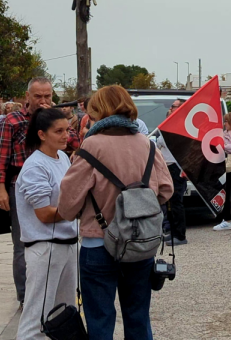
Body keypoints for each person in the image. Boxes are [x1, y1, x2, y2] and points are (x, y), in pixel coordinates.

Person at [58, 85, 173, 340]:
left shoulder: (91, 146)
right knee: (138, 318)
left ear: (97, 111)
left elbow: (67, 204)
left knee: (100, 321)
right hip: (139, 243)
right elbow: (166, 190)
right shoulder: (147, 144)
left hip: (98, 243)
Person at [0, 78, 79, 304]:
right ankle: (25, 295)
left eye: (47, 96)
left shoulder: (57, 119)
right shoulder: (13, 120)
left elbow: (75, 143)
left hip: (54, 180)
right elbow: (0, 155)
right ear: (27, 97)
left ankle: (56, 293)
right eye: (38, 96)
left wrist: (58, 122)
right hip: (20, 181)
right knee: (24, 242)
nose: (43, 100)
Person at [15, 108, 80, 340]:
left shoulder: (62, 157)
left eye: (67, 130)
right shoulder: (35, 166)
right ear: (42, 134)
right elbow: (44, 214)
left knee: (63, 315)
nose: (65, 135)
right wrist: (77, 209)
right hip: (46, 247)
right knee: (37, 318)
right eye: (59, 131)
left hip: (68, 244)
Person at [154, 99, 188, 246]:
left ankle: (180, 236)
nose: (171, 108)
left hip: (176, 166)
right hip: (167, 165)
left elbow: (184, 148)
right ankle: (173, 232)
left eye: (174, 106)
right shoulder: (169, 124)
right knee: (169, 202)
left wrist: (184, 168)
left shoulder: (182, 126)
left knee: (176, 202)